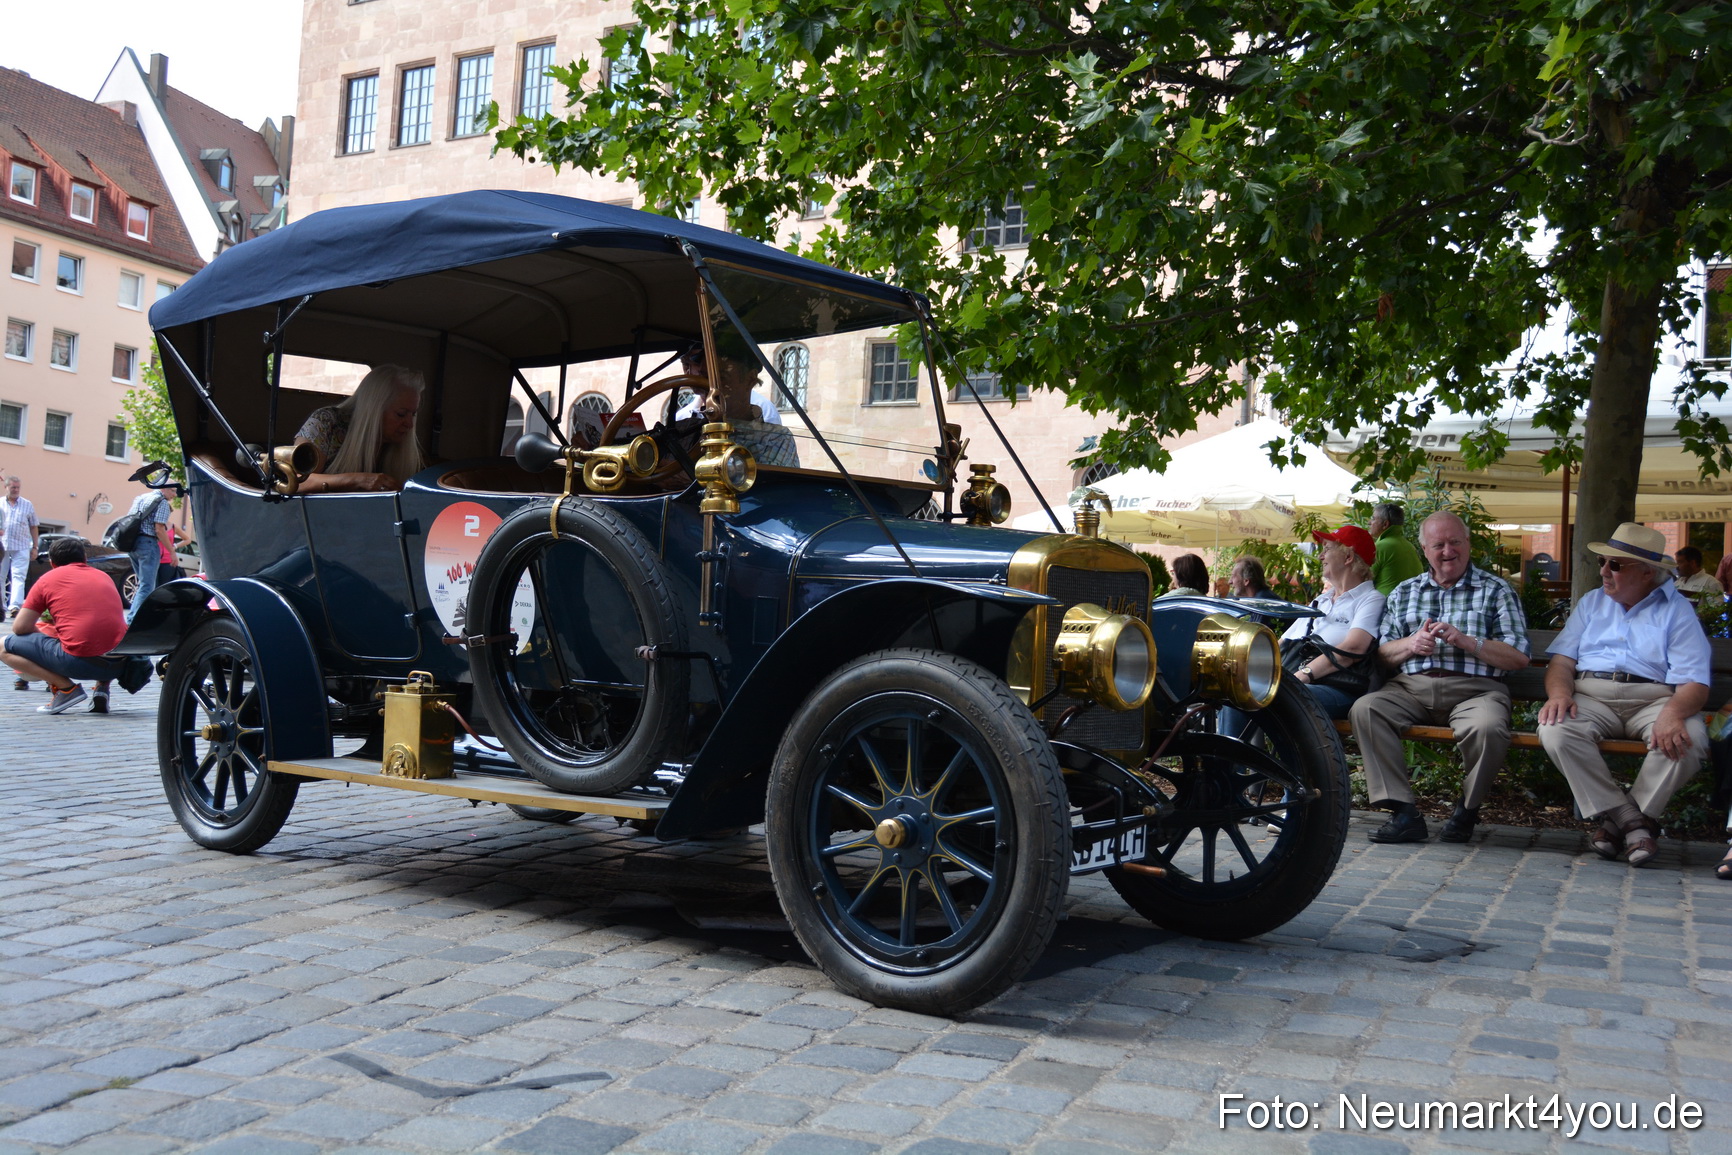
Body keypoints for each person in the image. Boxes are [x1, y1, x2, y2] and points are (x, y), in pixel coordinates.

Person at [1349, 511, 1530, 844]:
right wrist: (1411, 644)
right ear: (1424, 549)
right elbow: (1382, 654)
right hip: (1411, 689)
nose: (1448, 551)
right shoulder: (1404, 592)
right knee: (1367, 709)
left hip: (1476, 692)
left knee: (1488, 728)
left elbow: (1518, 656)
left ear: (1468, 543)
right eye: (1438, 545)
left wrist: (1467, 641)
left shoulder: (1496, 591)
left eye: (1455, 542)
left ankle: (1467, 810)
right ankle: (1404, 814)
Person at [1537, 523, 1711, 868]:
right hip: (1592, 695)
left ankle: (1617, 824)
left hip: (1654, 700)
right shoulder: (1591, 603)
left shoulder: (1678, 611)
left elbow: (1695, 683)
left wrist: (1673, 714)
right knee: (1555, 729)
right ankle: (1633, 822)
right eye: (1603, 561)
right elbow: (1561, 662)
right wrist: (1559, 694)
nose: (1603, 571)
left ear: (1648, 572)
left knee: (1689, 738)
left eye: (1615, 565)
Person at [1, 537, 125, 715]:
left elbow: (20, 628)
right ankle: (102, 688)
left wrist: (47, 643)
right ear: (84, 559)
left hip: (79, 663)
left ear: (52, 563)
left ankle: (66, 689)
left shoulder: (48, 579)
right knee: (101, 633)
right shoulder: (103, 576)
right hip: (119, 664)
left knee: (3, 646)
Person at [1283, 526, 1386, 719]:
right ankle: (1227, 750)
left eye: (1327, 549)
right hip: (1299, 682)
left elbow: (1353, 649)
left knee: (1283, 698)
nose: (1321, 556)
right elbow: (1283, 642)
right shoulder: (1320, 601)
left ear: (1348, 558)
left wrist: (1302, 676)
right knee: (1236, 695)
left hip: (1338, 687)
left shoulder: (1371, 599)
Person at [294, 364, 426, 493]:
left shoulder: (397, 448)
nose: (409, 424)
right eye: (401, 414)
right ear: (374, 409)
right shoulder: (325, 422)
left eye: (413, 414)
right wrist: (358, 480)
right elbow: (296, 480)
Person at [674, 349, 799, 467]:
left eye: (720, 379)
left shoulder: (775, 439)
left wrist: (689, 478)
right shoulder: (683, 430)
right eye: (704, 377)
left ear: (750, 379)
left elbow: (763, 487)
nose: (708, 388)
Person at [121, 489, 172, 625]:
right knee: (147, 585)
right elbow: (159, 529)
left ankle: (135, 617)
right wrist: (171, 551)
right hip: (148, 543)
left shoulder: (141, 497)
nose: (175, 495)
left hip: (133, 544)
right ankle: (133, 620)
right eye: (173, 491)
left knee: (142, 584)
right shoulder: (162, 502)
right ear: (165, 489)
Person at [2, 475, 39, 621]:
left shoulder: (27, 504)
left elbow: (34, 526)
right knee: (0, 576)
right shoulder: (0, 504)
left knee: (18, 576)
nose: (16, 490)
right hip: (2, 545)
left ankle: (15, 607)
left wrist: (34, 546)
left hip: (22, 545)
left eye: (18, 487)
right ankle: (1, 607)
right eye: (13, 487)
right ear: (6, 487)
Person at [1369, 502, 1425, 596]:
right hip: (1412, 602)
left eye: (1373, 518)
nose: (1369, 522)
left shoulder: (1381, 546)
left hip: (1387, 605)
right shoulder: (1409, 545)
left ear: (1385, 524)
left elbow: (1361, 581)